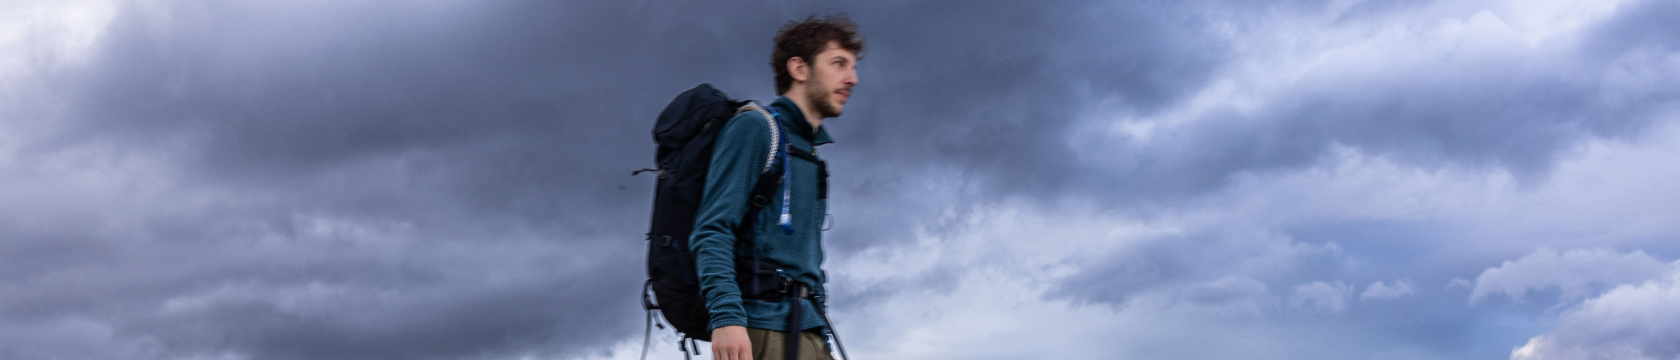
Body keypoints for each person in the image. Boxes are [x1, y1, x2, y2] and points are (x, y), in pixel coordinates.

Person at [688, 14, 863, 360]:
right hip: (760, 331)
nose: (852, 79)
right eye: (839, 63)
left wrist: (821, 337)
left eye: (853, 67)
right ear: (799, 68)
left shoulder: (809, 153)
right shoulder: (756, 129)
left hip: (807, 331)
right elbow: (712, 229)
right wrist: (726, 318)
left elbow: (809, 262)